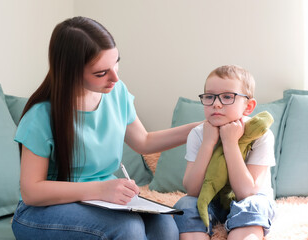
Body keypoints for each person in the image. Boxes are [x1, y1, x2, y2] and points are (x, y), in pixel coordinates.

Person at [11, 16, 201, 240]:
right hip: (41, 212)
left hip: (100, 202)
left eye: (116, 63)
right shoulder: (41, 116)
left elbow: (144, 141)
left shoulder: (116, 92)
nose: (115, 78)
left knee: (164, 226)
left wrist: (201, 128)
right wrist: (101, 189)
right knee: (127, 229)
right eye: (101, 73)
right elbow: (32, 192)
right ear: (70, 72)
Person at [173, 65, 276, 240]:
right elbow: (192, 190)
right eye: (210, 97)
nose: (216, 104)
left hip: (248, 199)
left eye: (228, 96)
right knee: (186, 204)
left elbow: (247, 192)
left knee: (254, 205)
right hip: (211, 201)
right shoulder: (198, 134)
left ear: (248, 106)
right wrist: (207, 143)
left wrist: (230, 143)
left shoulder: (261, 135)